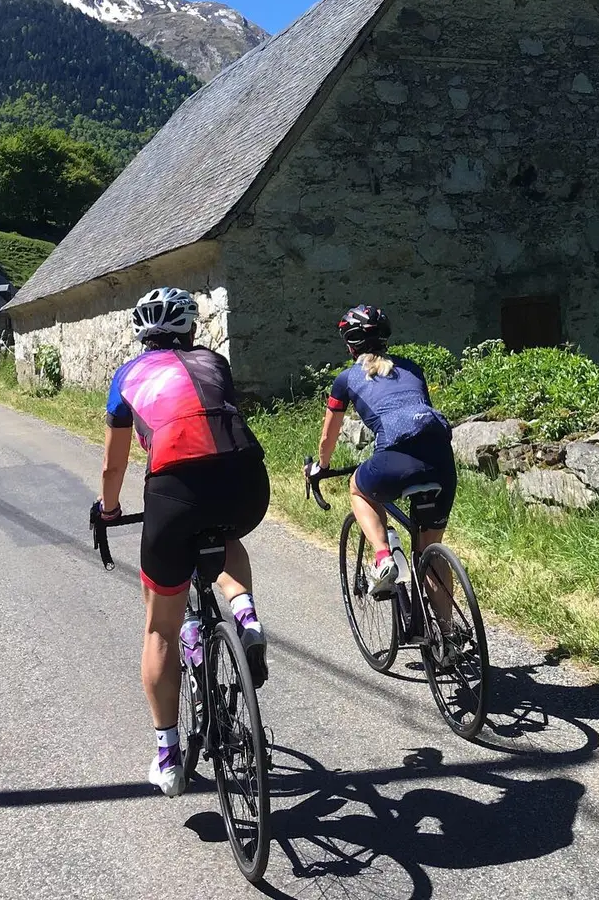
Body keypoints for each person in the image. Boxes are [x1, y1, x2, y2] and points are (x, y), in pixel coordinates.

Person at [96, 286, 270, 798]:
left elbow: (113, 462)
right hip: (244, 478)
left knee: (161, 630)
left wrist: (108, 511)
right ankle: (244, 614)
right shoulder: (214, 361)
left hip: (175, 488)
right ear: (191, 330)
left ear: (141, 335)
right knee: (224, 532)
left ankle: (169, 755)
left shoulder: (127, 376)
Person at [307, 305, 457, 605]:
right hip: (440, 456)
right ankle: (449, 639)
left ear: (349, 343)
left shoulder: (346, 379)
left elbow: (328, 436)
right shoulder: (412, 367)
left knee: (359, 488)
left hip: (396, 457)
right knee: (430, 551)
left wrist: (321, 467)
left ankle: (383, 558)